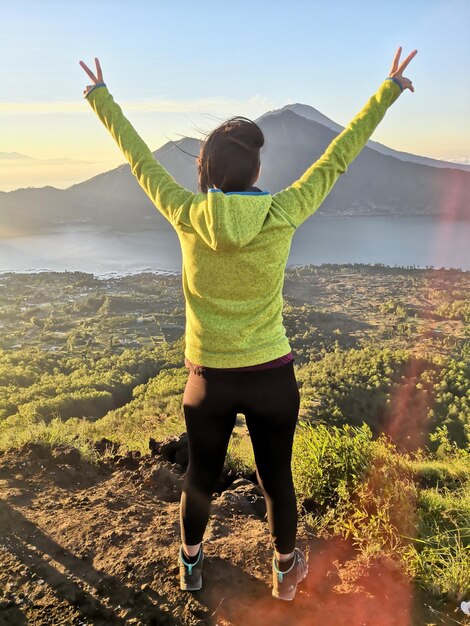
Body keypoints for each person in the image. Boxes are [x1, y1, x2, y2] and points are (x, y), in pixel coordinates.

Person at [80, 46, 417, 601]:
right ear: (257, 171)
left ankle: (190, 565)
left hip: (207, 377)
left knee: (200, 477)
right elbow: (337, 157)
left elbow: (139, 160)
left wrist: (100, 98)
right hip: (271, 376)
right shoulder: (283, 211)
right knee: (275, 479)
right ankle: (286, 573)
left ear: (207, 171)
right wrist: (386, 91)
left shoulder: (187, 213)